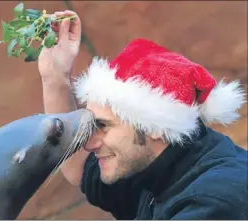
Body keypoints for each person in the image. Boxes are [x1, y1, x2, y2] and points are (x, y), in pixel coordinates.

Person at [38, 10, 248, 219]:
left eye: (102, 126)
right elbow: (80, 168)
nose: (88, 143)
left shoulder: (216, 199)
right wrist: (54, 78)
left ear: (156, 126)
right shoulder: (154, 164)